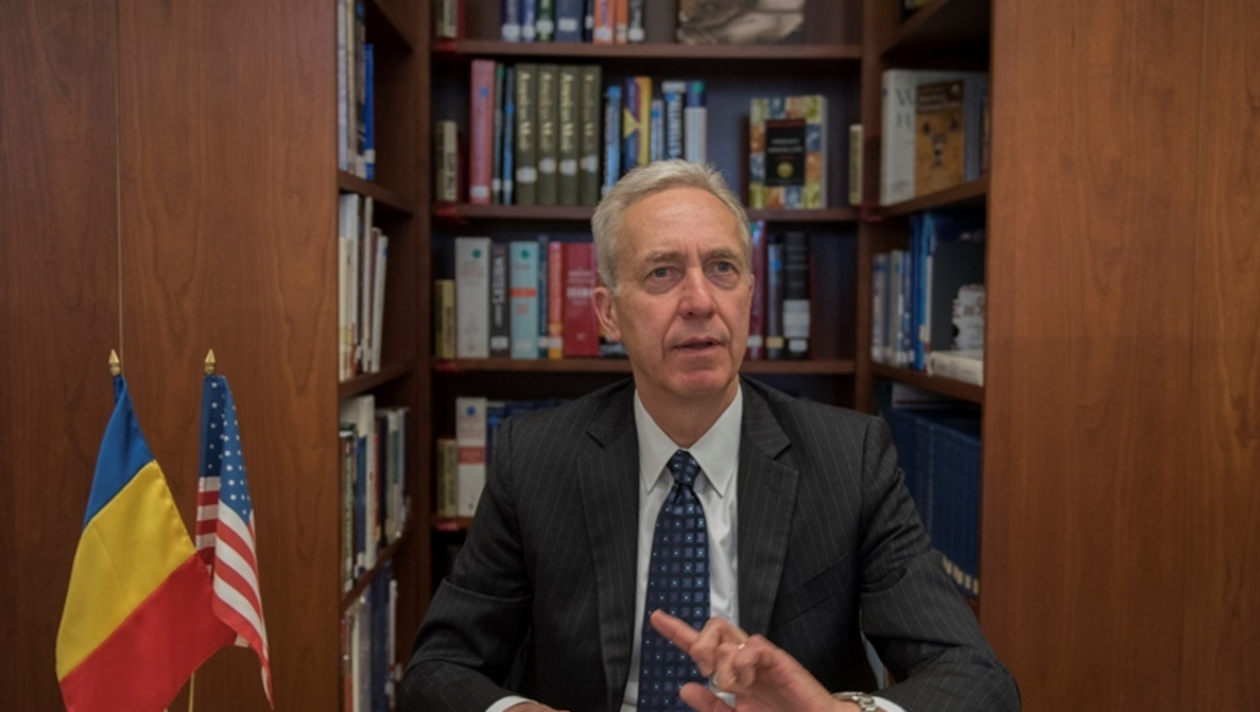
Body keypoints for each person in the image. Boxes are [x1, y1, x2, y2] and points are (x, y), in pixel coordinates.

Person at [400, 160, 1019, 712]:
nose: (700, 300)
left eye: (722, 268)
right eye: (662, 272)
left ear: (749, 293)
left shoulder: (848, 458)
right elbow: (436, 670)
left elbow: (978, 681)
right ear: (609, 312)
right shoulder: (535, 459)